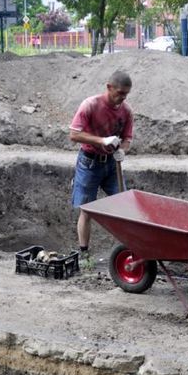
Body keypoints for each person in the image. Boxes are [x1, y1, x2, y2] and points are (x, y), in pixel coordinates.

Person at [69, 70, 133, 266]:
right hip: (89, 162)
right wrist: (101, 140)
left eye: (126, 94)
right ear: (109, 87)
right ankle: (84, 254)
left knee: (124, 205)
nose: (122, 98)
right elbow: (74, 134)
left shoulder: (126, 110)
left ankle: (128, 251)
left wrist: (122, 150)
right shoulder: (90, 105)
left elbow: (127, 138)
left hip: (112, 165)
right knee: (87, 209)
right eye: (120, 93)